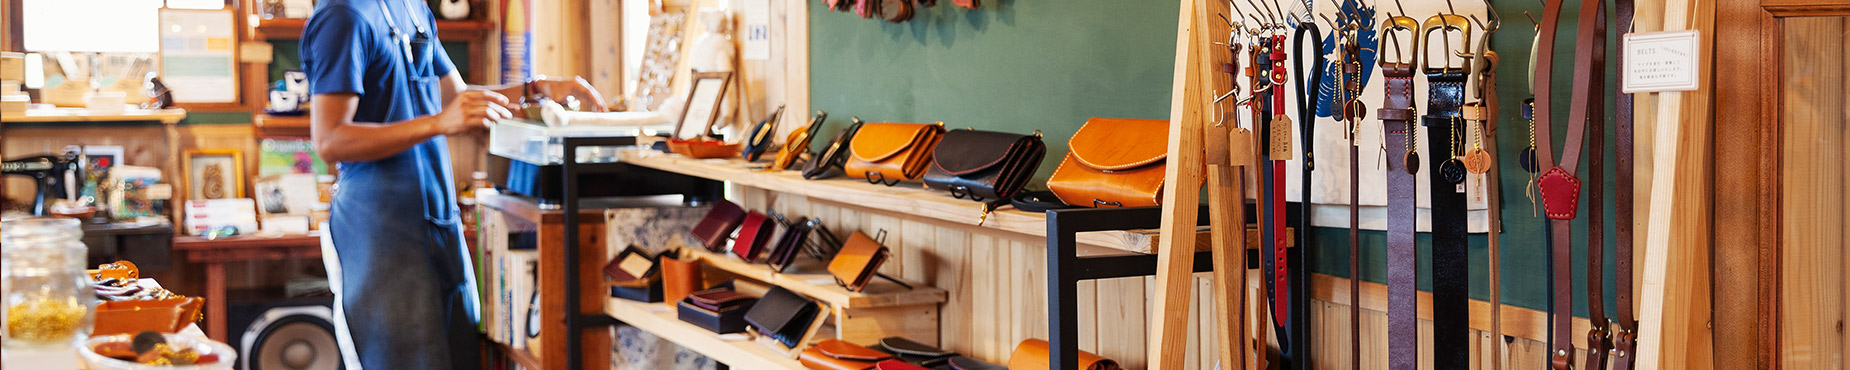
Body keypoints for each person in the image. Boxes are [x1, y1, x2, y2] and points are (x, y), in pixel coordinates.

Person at [300, 0, 606, 368]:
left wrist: (537, 88)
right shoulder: (342, 16)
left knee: (464, 355)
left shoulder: (412, 7)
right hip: (380, 232)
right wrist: (438, 123)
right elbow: (330, 139)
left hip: (440, 223)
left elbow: (457, 98)